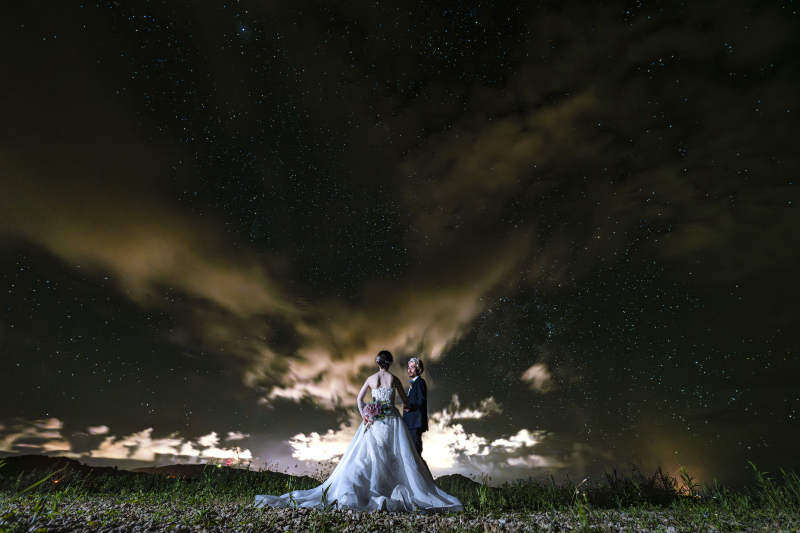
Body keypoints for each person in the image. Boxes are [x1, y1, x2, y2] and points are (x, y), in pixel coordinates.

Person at [254, 350, 463, 513]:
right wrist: (401, 405)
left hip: (374, 422)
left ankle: (370, 488)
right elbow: (405, 401)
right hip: (391, 420)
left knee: (370, 455)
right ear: (389, 363)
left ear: (377, 363)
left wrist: (364, 413)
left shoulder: (371, 379)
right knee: (396, 455)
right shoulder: (395, 380)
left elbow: (359, 398)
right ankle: (390, 488)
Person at [402, 357, 427, 456]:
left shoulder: (420, 382)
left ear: (419, 370)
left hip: (415, 422)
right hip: (411, 422)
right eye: (408, 367)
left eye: (412, 367)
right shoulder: (414, 383)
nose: (409, 369)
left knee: (416, 452)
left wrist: (410, 407)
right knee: (411, 451)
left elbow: (422, 401)